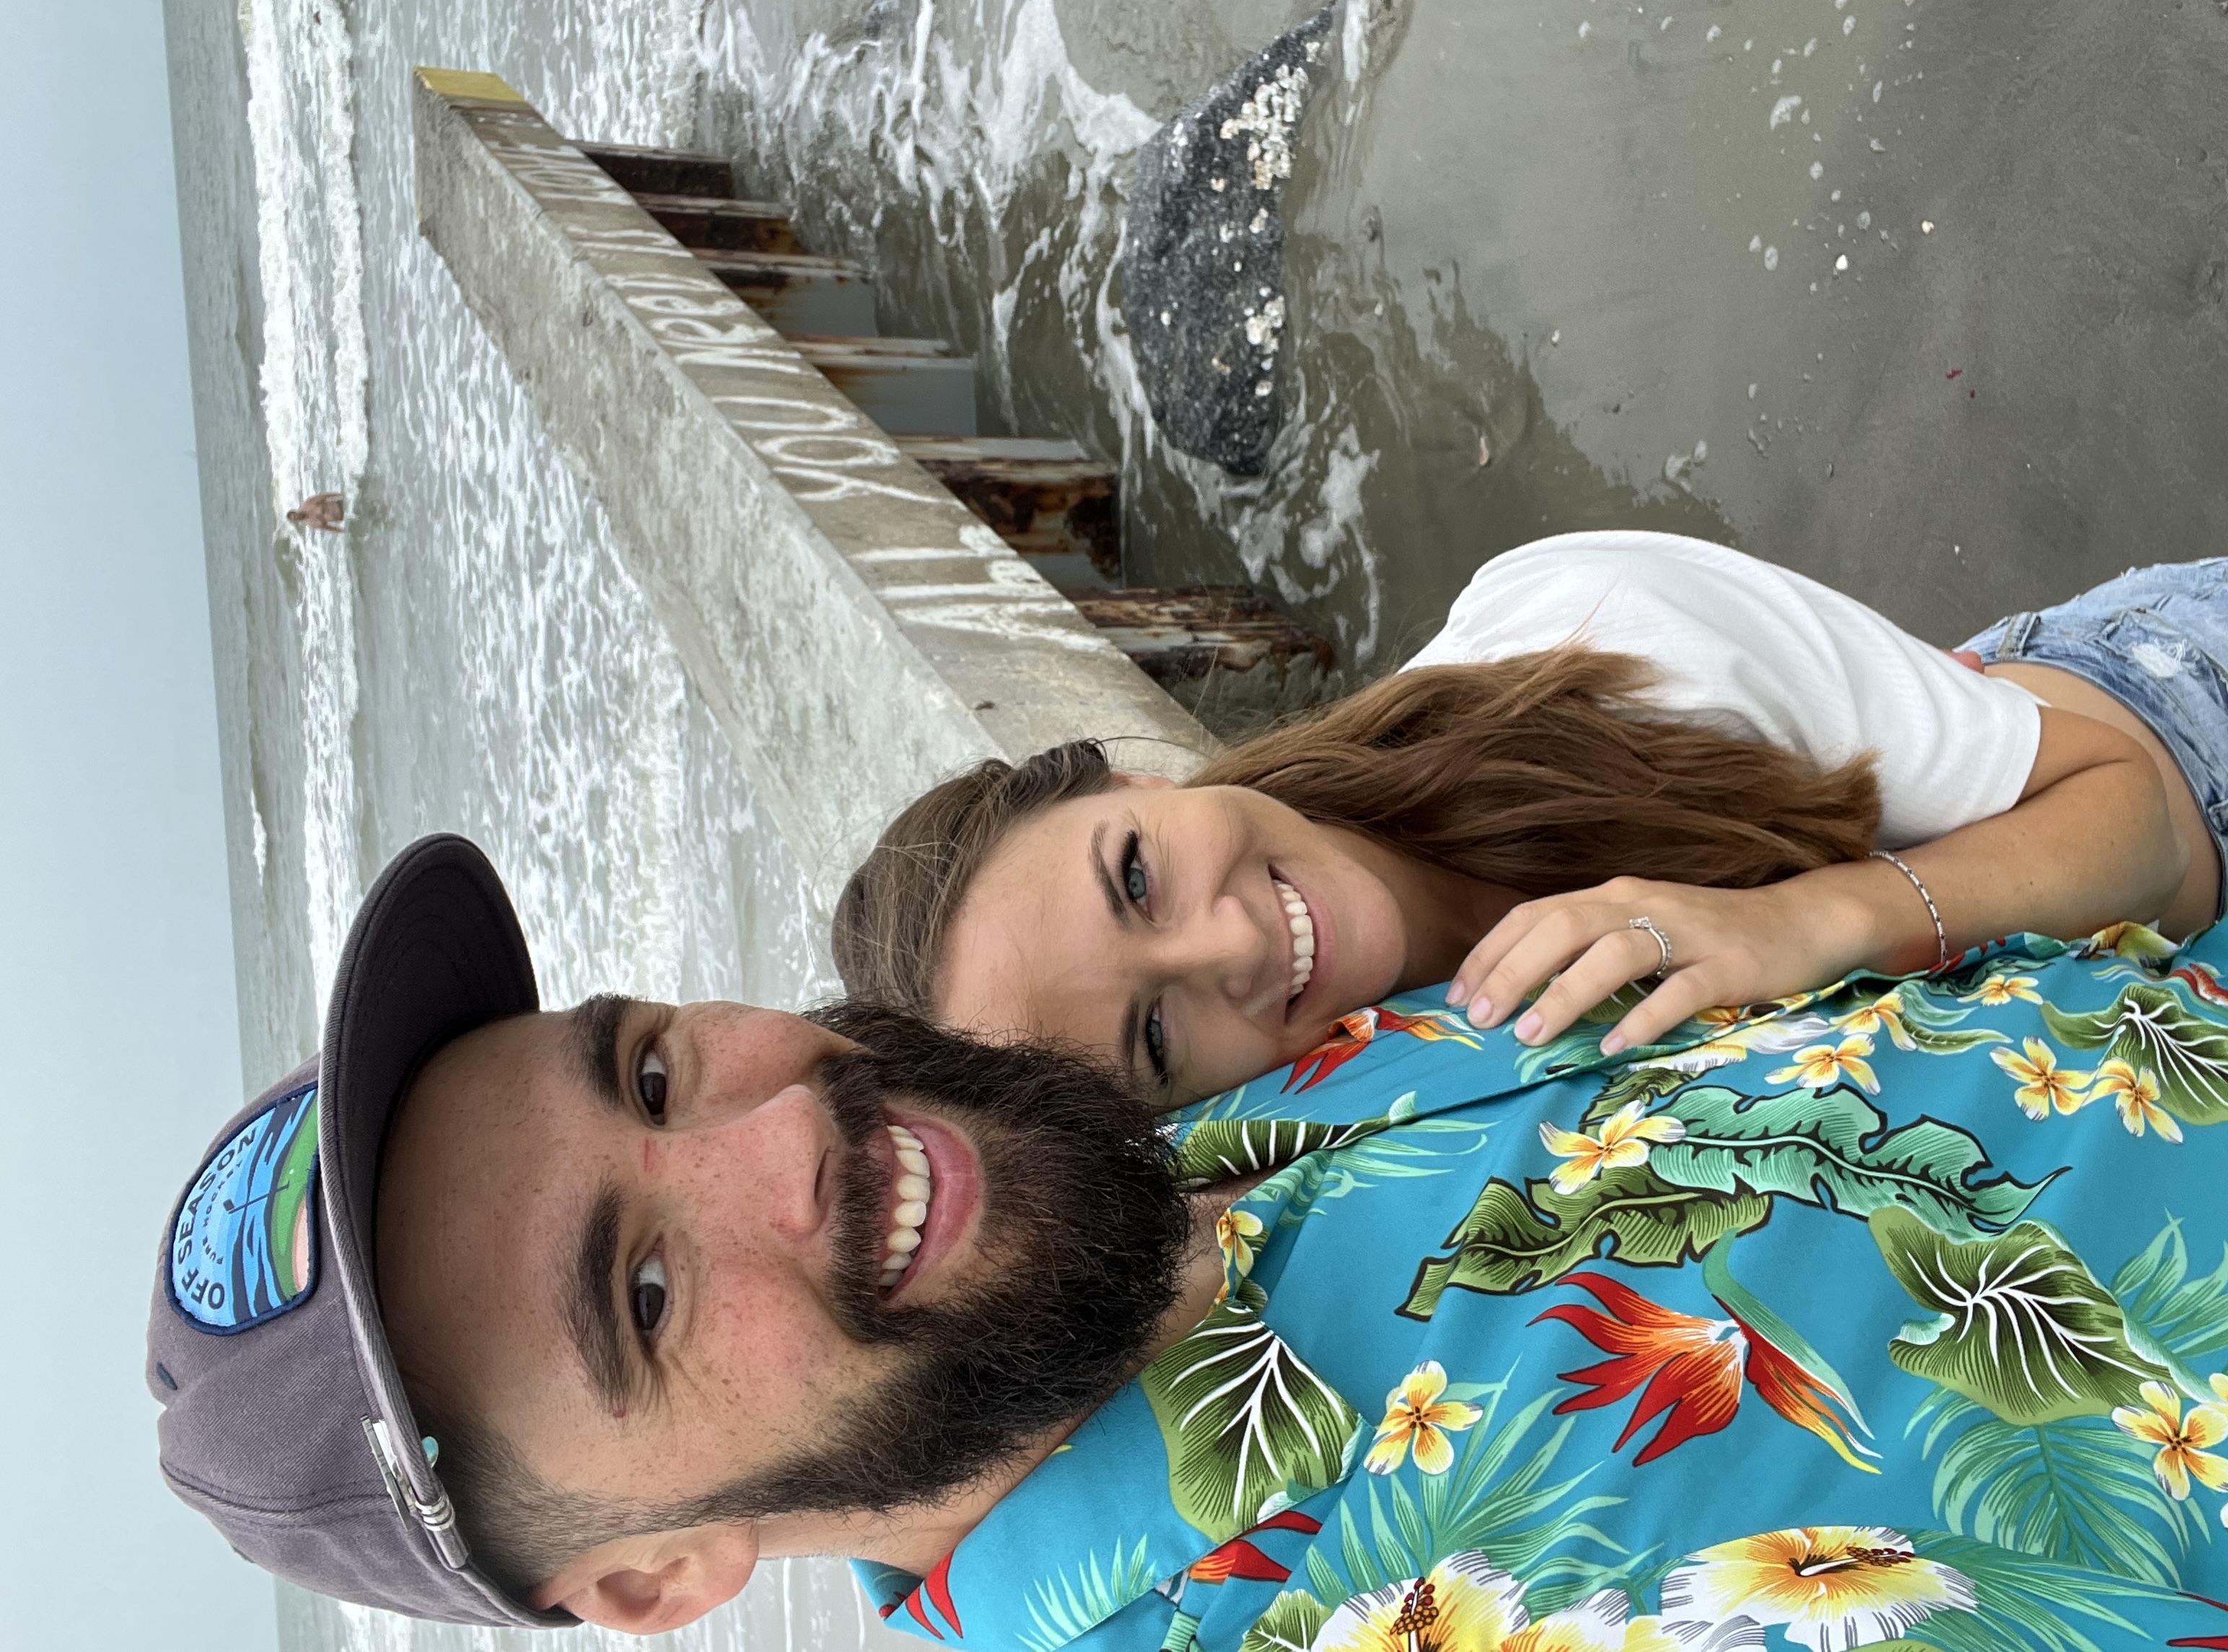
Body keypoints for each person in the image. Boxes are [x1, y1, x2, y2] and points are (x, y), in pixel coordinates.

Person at [152, 833, 2228, 1650]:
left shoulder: (1189, 1122)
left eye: (656, 1069)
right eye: (646, 1290)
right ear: (656, 1574)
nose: (788, 1129)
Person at [834, 537, 2228, 1104]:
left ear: (1141, 784)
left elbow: (2144, 822)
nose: (1223, 951)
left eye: (1135, 879)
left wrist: (1804, 921)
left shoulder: (1600, 630)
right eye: (1152, 1034)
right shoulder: (1364, 1114)